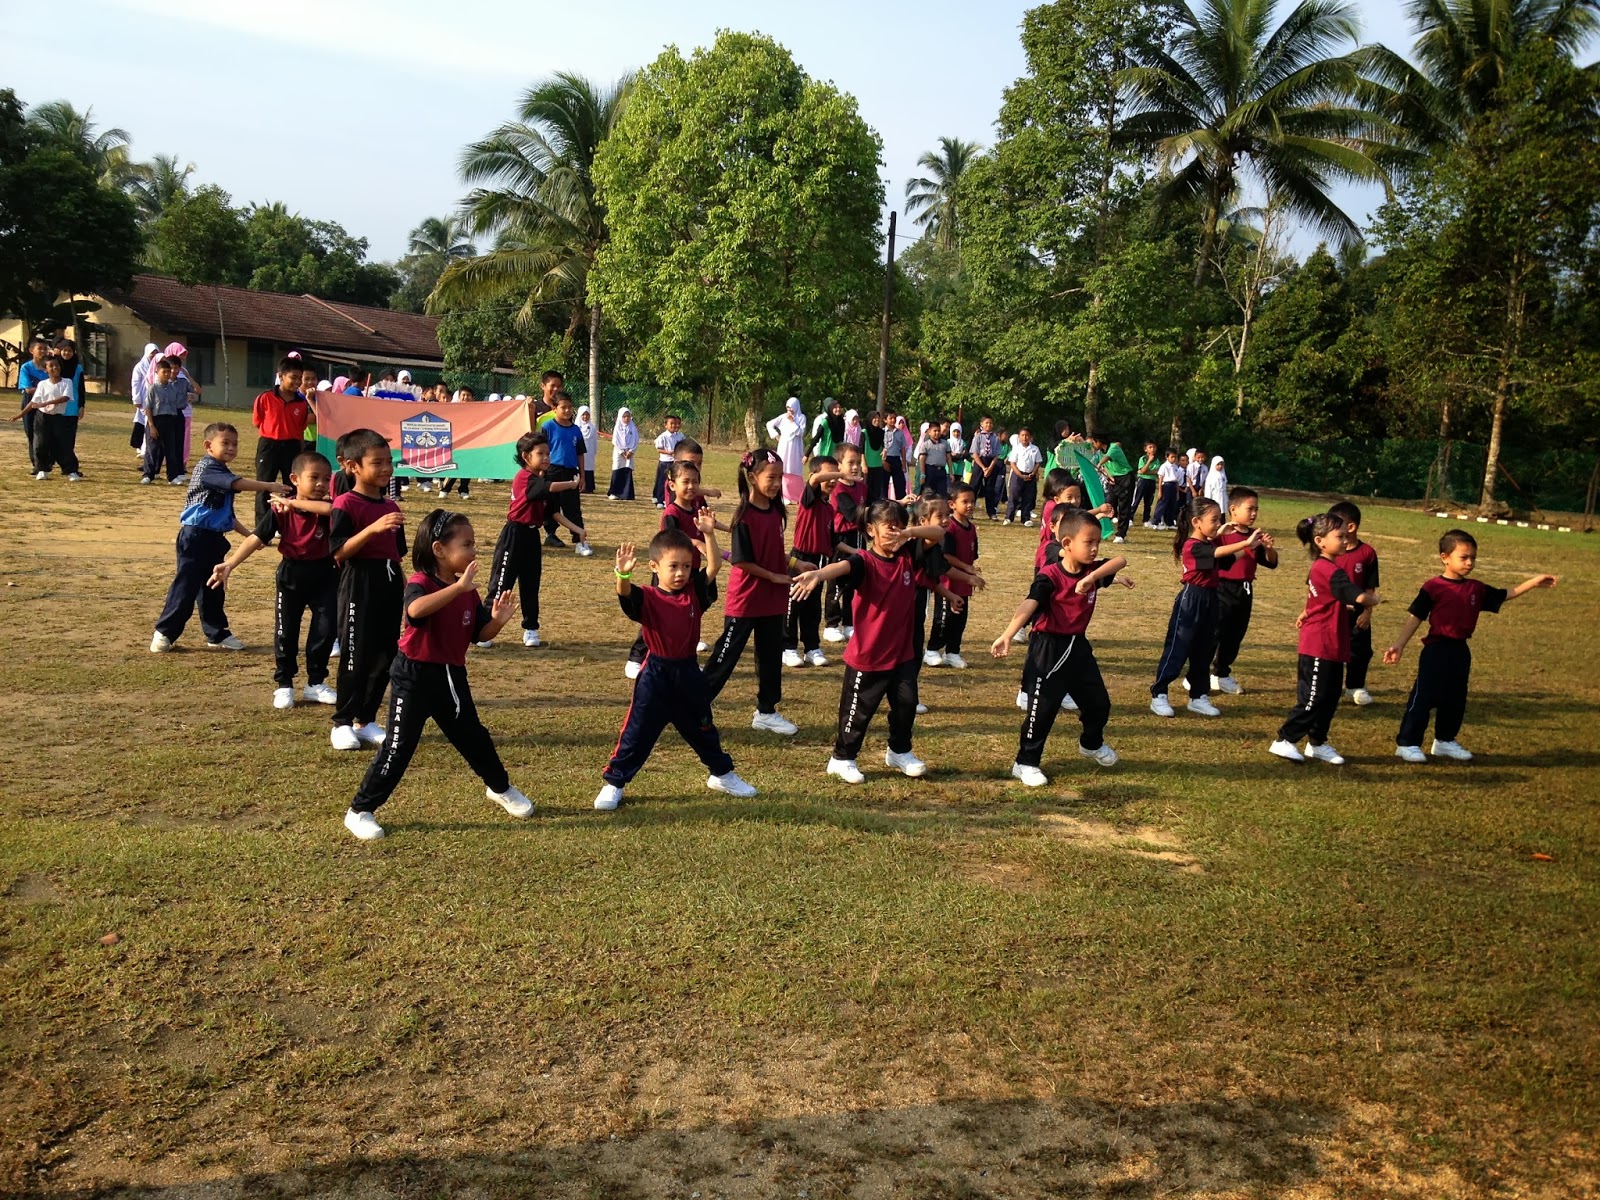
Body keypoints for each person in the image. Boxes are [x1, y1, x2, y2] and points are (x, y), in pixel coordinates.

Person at [341, 510, 531, 841]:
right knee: (399, 748)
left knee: (474, 738)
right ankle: (359, 811)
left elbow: (480, 634)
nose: (473, 552)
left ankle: (500, 788)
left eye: (473, 544)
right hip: (413, 677)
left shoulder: (468, 592)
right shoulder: (421, 582)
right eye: (466, 544)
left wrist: (498, 620)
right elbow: (415, 611)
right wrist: (458, 588)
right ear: (439, 549)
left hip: (450, 677)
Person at [791, 500, 964, 783]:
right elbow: (843, 566)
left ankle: (899, 750)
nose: (894, 534)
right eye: (888, 528)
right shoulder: (865, 561)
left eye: (900, 527)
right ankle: (842, 757)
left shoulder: (908, 554)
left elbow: (939, 534)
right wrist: (817, 575)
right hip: (868, 655)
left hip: (903, 653)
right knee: (858, 711)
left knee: (907, 705)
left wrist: (908, 534)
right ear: (870, 530)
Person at [596, 521, 759, 811]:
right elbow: (625, 593)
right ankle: (614, 783)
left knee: (703, 729)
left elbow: (713, 568)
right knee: (637, 733)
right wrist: (622, 573)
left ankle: (722, 774)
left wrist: (708, 533)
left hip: (688, 674)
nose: (681, 573)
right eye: (673, 566)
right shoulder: (647, 596)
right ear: (655, 567)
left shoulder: (693, 593)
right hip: (655, 676)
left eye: (686, 566)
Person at [1384, 530, 1556, 763]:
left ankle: (1444, 741)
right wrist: (1399, 645)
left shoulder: (1476, 588)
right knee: (1424, 696)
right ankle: (1407, 743)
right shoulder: (1433, 587)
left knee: (1455, 698)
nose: (1469, 562)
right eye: (1464, 557)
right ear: (1445, 557)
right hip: (1436, 650)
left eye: (1473, 558)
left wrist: (1533, 582)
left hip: (1460, 650)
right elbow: (1415, 617)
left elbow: (1506, 594)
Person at [991, 505, 1132, 786]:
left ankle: (1091, 744)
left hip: (1078, 647)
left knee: (1099, 704)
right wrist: (1008, 634)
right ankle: (1025, 763)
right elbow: (1030, 603)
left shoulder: (1092, 570)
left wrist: (1095, 579)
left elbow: (1121, 559)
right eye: (1088, 542)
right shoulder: (1050, 576)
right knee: (1041, 711)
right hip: (1048, 648)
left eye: (1097, 542)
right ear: (1067, 544)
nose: (1094, 548)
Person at [206, 451, 339, 709]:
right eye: (314, 478)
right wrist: (231, 563)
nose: (321, 484)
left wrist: (293, 503)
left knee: (325, 631)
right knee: (286, 632)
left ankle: (315, 683)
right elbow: (258, 537)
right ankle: (284, 684)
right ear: (295, 479)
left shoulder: (327, 508)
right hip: (291, 575)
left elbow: (333, 508)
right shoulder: (280, 510)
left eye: (326, 478)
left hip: (326, 575)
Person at [149, 422, 291, 653]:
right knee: (186, 587)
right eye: (225, 443)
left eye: (235, 444)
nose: (231, 448)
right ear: (208, 446)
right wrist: (268, 485)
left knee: (214, 587)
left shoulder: (223, 472)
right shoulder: (208, 468)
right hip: (195, 537)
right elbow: (237, 484)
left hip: (215, 539)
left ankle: (217, 634)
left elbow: (227, 517)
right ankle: (164, 632)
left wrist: (253, 537)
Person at [1268, 512, 1383, 764]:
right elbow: (1359, 596)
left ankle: (1317, 742)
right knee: (1314, 696)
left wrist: (1308, 611)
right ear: (1320, 541)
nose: (1345, 540)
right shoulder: (1328, 569)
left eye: (1345, 535)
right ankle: (1285, 739)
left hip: (1333, 642)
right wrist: (1372, 600)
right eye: (1339, 536)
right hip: (1319, 644)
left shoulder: (1329, 568)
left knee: (1330, 697)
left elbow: (1321, 598)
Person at [701, 449, 799, 736]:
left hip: (773, 600)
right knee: (725, 656)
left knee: (770, 657)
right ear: (753, 477)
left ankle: (766, 711)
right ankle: (693, 705)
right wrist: (774, 577)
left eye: (780, 477)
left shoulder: (776, 510)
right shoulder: (744, 516)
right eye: (771, 477)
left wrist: (793, 563)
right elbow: (742, 561)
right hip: (746, 601)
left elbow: (771, 550)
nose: (777, 483)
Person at [328, 429, 407, 752]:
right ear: (352, 466)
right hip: (359, 582)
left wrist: (407, 593)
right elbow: (338, 551)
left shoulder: (390, 505)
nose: (386, 468)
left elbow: (396, 555)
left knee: (386, 655)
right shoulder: (345, 504)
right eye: (377, 463)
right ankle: (342, 722)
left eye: (389, 461)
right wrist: (372, 529)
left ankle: (367, 719)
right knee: (355, 653)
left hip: (388, 582)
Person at [1149, 499, 1262, 719]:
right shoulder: (1193, 546)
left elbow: (1225, 559)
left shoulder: (1209, 545)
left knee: (1204, 650)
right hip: (1192, 600)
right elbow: (1219, 553)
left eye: (1219, 519)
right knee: (1178, 648)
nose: (1219, 523)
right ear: (1196, 522)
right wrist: (1244, 542)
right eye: (1214, 520)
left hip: (1211, 599)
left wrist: (1250, 546)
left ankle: (1198, 696)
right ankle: (1159, 694)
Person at [486, 431, 586, 649]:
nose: (546, 457)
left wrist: (577, 529)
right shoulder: (524, 478)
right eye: (540, 453)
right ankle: (485, 628)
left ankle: (531, 629)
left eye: (548, 453)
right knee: (502, 583)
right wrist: (571, 483)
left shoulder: (543, 480)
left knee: (531, 584)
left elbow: (553, 513)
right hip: (513, 535)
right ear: (526, 456)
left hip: (532, 536)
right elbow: (548, 488)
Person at [1209, 487, 1277, 695]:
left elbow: (1271, 563)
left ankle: (1222, 673)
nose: (1254, 513)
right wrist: (1219, 536)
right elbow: (1210, 555)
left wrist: (1268, 548)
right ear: (1233, 509)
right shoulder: (1223, 534)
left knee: (1235, 634)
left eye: (1256, 509)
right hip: (1222, 588)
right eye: (1250, 509)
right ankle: (1204, 673)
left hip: (1244, 590)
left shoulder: (1255, 536)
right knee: (1215, 633)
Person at [783, 456, 843, 668]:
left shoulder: (828, 508)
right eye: (831, 475)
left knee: (813, 609)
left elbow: (834, 541)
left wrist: (858, 553)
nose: (834, 480)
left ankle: (811, 647)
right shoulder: (808, 499)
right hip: (800, 560)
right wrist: (843, 473)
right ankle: (788, 647)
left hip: (820, 564)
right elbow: (817, 478)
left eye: (836, 475)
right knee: (794, 605)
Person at [927, 480, 982, 668]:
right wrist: (967, 569)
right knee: (943, 618)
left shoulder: (972, 528)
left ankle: (953, 651)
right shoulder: (949, 528)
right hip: (948, 583)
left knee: (960, 620)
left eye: (972, 501)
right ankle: (932, 649)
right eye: (965, 501)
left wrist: (973, 572)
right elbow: (946, 556)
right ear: (952, 504)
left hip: (963, 585)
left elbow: (971, 556)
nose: (970, 505)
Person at [1328, 501, 1378, 706]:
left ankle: (1355, 686)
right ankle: (1331, 686)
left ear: (1351, 527)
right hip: (1333, 611)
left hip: (1357, 612)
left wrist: (1367, 613)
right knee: (1332, 650)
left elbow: (1370, 587)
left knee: (1360, 651)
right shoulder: (1330, 552)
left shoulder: (1367, 553)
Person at [251, 355, 312, 522]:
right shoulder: (265, 398)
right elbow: (257, 421)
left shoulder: (301, 403)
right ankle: (263, 526)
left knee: (292, 485)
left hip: (292, 447)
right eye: (293, 377)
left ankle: (290, 523)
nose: (297, 382)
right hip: (268, 445)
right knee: (264, 485)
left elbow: (301, 427)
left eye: (300, 378)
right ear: (281, 376)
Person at [537, 392, 594, 556]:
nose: (568, 410)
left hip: (570, 472)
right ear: (554, 409)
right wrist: (541, 471)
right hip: (552, 471)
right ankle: (550, 534)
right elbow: (541, 451)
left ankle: (579, 541)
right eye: (563, 407)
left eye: (570, 407)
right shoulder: (548, 427)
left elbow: (580, 454)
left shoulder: (576, 430)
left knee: (573, 508)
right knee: (549, 506)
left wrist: (582, 476)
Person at [824, 443, 869, 643]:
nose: (855, 467)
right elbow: (851, 514)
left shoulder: (861, 486)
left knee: (855, 581)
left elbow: (875, 503)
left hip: (859, 538)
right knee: (836, 583)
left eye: (858, 463)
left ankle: (850, 623)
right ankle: (832, 624)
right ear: (838, 465)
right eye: (850, 463)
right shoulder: (838, 489)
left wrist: (899, 503)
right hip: (841, 539)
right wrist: (873, 512)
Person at [13, 356, 81, 480]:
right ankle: (42, 469)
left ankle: (71, 471)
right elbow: (33, 402)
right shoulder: (42, 384)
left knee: (63, 445)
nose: (55, 368)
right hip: (42, 418)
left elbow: (65, 398)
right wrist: (20, 415)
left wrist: (45, 403)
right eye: (51, 366)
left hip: (59, 417)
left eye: (57, 365)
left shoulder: (66, 382)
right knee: (41, 443)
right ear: (46, 370)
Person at [138, 355, 197, 485]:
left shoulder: (173, 388)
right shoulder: (153, 389)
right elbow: (148, 408)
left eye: (168, 372)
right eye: (164, 372)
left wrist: (188, 398)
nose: (167, 374)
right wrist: (152, 426)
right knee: (152, 450)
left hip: (170, 420)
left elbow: (181, 400)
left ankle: (172, 476)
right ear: (157, 372)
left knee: (171, 450)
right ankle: (149, 474)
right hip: (156, 420)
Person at [1089, 434, 1136, 543]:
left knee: (1123, 506)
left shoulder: (1114, 447)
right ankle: (1100, 530)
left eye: (1094, 442)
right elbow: (1106, 467)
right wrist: (1109, 477)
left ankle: (1121, 534)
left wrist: (1099, 464)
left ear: (1099, 441)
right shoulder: (1100, 452)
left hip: (1125, 478)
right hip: (1113, 479)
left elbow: (1107, 458)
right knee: (1107, 504)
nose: (1093, 445)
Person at [16, 337, 51, 474]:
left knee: (46, 433)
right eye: (39, 348)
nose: (43, 351)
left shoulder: (50, 366)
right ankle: (37, 464)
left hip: (47, 403)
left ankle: (46, 461)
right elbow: (28, 389)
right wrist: (47, 387)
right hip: (31, 401)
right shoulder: (27, 368)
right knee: (32, 433)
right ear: (32, 351)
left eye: (45, 348)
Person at [1005, 428, 1044, 525]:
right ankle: (1009, 517)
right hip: (1018, 474)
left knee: (1028, 496)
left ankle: (1026, 518)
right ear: (1019, 437)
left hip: (1030, 475)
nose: (1024, 438)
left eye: (1027, 435)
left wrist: (1033, 473)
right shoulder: (1016, 448)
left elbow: (1038, 462)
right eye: (1022, 435)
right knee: (1014, 495)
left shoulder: (1035, 449)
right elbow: (1012, 463)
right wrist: (1020, 475)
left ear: (1030, 437)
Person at [971, 416, 1003, 520]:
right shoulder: (978, 437)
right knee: (974, 487)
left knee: (990, 488)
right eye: (986, 423)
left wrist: (989, 468)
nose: (988, 425)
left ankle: (991, 512)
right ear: (982, 424)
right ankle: (969, 512)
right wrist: (983, 467)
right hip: (979, 462)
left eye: (990, 423)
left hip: (991, 463)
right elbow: (974, 453)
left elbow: (996, 455)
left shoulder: (995, 438)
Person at [131, 342, 160, 456]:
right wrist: (137, 399)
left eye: (156, 352)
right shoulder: (140, 366)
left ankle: (146, 447)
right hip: (143, 397)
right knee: (143, 422)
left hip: (155, 399)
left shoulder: (159, 366)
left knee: (149, 422)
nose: (154, 355)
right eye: (152, 353)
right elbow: (135, 383)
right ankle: (140, 446)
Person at [651, 413, 685, 507]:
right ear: (666, 425)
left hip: (675, 462)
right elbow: (658, 449)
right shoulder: (663, 437)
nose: (674, 425)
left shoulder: (679, 436)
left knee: (672, 481)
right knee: (662, 481)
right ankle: (660, 500)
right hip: (665, 462)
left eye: (675, 423)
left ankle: (668, 499)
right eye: (671, 423)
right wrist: (669, 452)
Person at [608, 407, 638, 500]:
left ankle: (627, 493)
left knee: (627, 470)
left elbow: (636, 440)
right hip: (619, 453)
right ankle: (614, 492)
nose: (626, 419)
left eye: (628, 416)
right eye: (624, 417)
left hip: (629, 453)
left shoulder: (632, 428)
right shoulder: (617, 427)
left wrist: (631, 451)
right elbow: (615, 441)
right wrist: (622, 452)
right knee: (617, 469)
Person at [916, 419, 951, 498]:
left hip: (941, 470)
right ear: (929, 432)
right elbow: (922, 459)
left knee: (942, 493)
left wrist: (951, 472)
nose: (937, 433)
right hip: (930, 470)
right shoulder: (926, 444)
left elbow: (948, 458)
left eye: (938, 431)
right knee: (928, 493)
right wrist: (922, 474)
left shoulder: (945, 443)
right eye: (934, 431)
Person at [1153, 450, 1183, 529]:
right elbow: (1161, 479)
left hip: (1173, 485)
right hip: (1166, 485)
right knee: (1162, 504)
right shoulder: (1164, 466)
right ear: (1167, 457)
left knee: (1171, 505)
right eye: (1172, 457)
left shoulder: (1176, 467)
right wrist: (1160, 491)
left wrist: (1177, 492)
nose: (1174, 459)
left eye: (1175, 457)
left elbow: (1176, 480)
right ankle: (1156, 522)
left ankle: (1169, 523)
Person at [883, 415, 910, 500]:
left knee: (900, 484)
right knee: (883, 484)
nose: (893, 420)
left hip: (896, 459)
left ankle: (901, 504)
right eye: (890, 418)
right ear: (885, 420)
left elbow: (903, 448)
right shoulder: (882, 432)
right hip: (885, 459)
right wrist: (882, 461)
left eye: (894, 418)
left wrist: (904, 463)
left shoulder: (900, 433)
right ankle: (883, 503)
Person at [1135, 442, 1160, 528]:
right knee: (1137, 499)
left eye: (1154, 447)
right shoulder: (1143, 459)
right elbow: (1142, 471)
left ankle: (1146, 519)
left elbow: (1157, 471)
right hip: (1142, 481)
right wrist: (1149, 461)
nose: (1152, 449)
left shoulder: (1157, 460)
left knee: (1148, 501)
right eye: (1150, 447)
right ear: (1146, 449)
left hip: (1151, 481)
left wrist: (1145, 471)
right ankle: (1130, 518)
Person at [863, 410, 887, 501]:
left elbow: (883, 445)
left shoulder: (881, 432)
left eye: (878, 418)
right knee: (866, 488)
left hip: (878, 464)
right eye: (874, 418)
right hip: (868, 464)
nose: (877, 420)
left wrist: (884, 450)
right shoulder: (864, 432)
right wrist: (863, 463)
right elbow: (861, 449)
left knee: (877, 489)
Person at [576, 404, 598, 492]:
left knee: (588, 466)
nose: (585, 417)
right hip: (579, 451)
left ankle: (589, 486)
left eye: (587, 414)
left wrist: (594, 451)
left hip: (589, 451)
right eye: (583, 415)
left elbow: (595, 440)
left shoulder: (592, 427)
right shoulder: (576, 427)